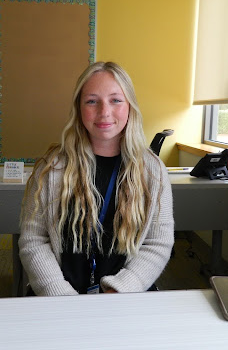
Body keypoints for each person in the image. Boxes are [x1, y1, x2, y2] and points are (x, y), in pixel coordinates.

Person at [19, 61, 174, 296]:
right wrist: (59, 294)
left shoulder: (152, 170)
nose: (104, 112)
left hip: (126, 296)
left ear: (130, 106)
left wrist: (119, 290)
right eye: (92, 101)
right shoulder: (51, 168)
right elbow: (33, 240)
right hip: (58, 298)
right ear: (79, 108)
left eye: (115, 100)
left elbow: (157, 243)